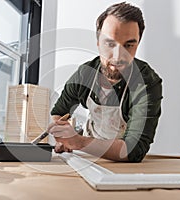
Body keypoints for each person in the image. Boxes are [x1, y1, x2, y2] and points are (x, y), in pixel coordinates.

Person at [48, 2, 163, 162]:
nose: (117, 56)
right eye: (110, 44)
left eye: (129, 45)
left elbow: (133, 150)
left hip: (125, 165)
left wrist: (78, 142)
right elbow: (59, 112)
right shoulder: (84, 74)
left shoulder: (147, 82)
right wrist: (63, 137)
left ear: (138, 43)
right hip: (86, 157)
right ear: (98, 42)